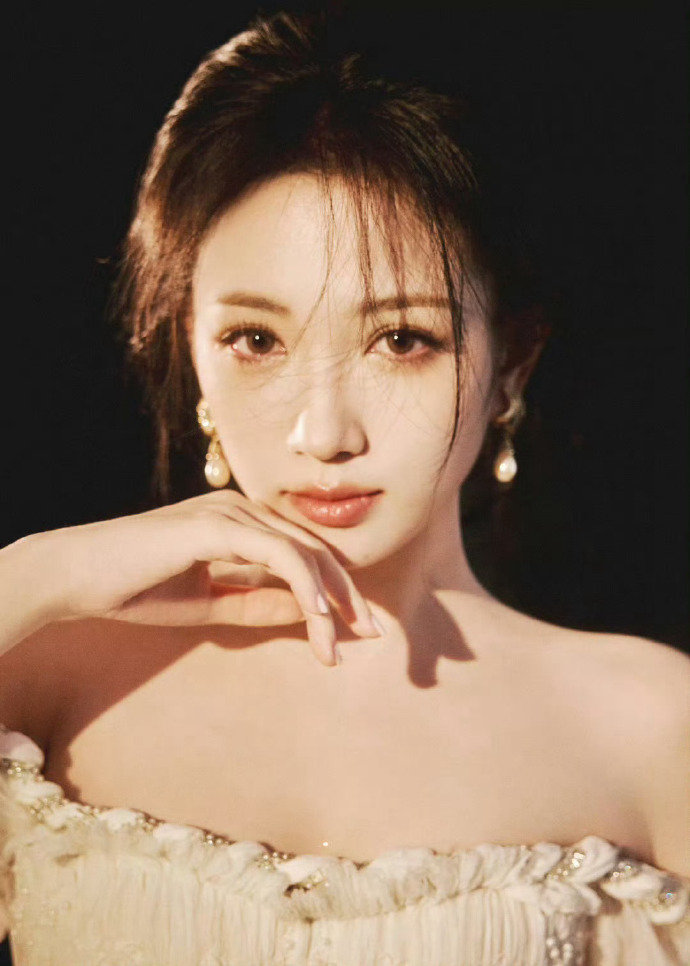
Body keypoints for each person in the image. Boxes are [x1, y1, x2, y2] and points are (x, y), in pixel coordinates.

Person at [0, 9, 688, 965]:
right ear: (191, 347)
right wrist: (29, 575)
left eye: (402, 339)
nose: (323, 435)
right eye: (256, 340)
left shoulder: (649, 728)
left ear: (511, 364)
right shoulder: (41, 668)